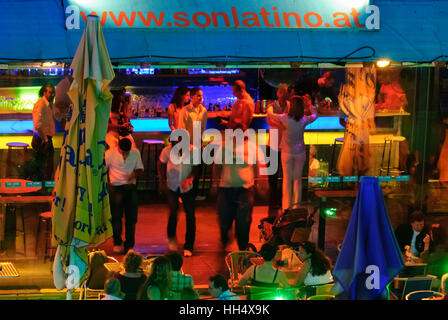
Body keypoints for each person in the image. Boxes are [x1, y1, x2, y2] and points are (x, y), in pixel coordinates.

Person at [212, 131, 266, 251]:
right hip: (225, 188)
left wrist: (260, 182)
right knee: (224, 220)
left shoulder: (252, 147)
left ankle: (242, 248)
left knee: (243, 222)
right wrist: (215, 183)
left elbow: (259, 165)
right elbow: (217, 165)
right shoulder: (225, 146)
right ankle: (226, 239)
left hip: (245, 189)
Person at [267, 96, 318, 211]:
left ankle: (286, 208)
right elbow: (316, 115)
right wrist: (310, 104)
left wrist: (269, 107)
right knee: (297, 180)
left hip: (286, 152)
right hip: (300, 153)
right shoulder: (304, 119)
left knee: (287, 179)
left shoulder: (285, 118)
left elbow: (271, 115)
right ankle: (296, 206)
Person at [158, 137, 200, 257]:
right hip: (173, 185)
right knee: (173, 213)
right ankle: (171, 239)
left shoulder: (193, 150)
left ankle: (189, 246)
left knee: (190, 216)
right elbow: (160, 164)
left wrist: (190, 178)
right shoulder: (167, 151)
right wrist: (161, 181)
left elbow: (196, 168)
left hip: (188, 187)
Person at [105, 137, 144, 254]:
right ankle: (117, 242)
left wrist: (135, 174)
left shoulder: (135, 153)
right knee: (116, 217)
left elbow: (140, 169)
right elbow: (103, 169)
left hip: (130, 187)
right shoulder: (110, 154)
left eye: (127, 152)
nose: (125, 154)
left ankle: (129, 245)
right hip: (115, 187)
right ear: (118, 148)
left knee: (131, 218)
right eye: (123, 152)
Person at [266, 84, 290, 217]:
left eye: (284, 91)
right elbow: (268, 119)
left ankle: (282, 200)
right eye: (280, 91)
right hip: (273, 143)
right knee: (273, 175)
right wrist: (282, 124)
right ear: (277, 92)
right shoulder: (272, 105)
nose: (282, 93)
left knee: (284, 174)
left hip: (285, 144)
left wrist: (279, 122)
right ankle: (272, 200)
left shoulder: (290, 105)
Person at [32, 82, 56, 181]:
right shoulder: (41, 104)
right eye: (50, 92)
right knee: (44, 166)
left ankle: (42, 188)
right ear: (44, 92)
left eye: (53, 92)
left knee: (46, 166)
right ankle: (41, 189)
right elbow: (37, 124)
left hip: (44, 138)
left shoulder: (49, 104)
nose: (53, 94)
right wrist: (45, 140)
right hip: (41, 139)